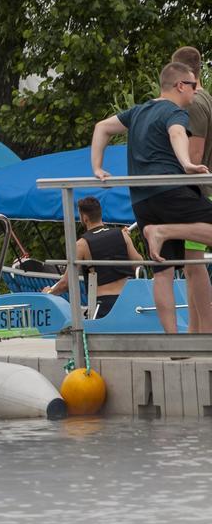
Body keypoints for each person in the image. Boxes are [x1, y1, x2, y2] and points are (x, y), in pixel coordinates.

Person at [90, 61, 212, 333]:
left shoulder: (139, 111)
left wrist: (97, 167)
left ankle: (173, 341)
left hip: (141, 199)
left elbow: (102, 127)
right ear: (181, 86)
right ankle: (164, 231)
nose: (196, 91)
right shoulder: (174, 111)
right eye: (194, 85)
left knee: (163, 273)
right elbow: (177, 133)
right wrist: (187, 164)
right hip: (170, 192)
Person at [42, 196, 142, 318]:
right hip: (129, 299)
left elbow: (66, 283)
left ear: (85, 218)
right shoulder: (122, 234)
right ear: (100, 213)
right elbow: (138, 263)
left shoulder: (81, 245)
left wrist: (48, 293)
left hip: (105, 305)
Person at [173, 46, 212, 332]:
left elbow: (195, 157)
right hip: (203, 188)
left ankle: (206, 331)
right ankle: (194, 332)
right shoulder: (206, 97)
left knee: (194, 264)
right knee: (190, 265)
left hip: (200, 190)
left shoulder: (196, 103)